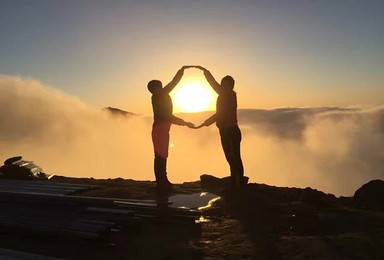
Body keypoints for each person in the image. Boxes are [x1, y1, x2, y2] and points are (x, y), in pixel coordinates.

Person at [194, 66, 244, 188]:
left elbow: (220, 114)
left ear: (230, 86)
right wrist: (206, 72)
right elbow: (214, 84)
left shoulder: (226, 95)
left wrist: (205, 123)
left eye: (224, 85)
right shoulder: (229, 94)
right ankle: (237, 181)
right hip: (231, 130)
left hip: (229, 131)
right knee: (234, 157)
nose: (222, 86)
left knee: (232, 158)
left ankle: (237, 184)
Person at [148, 66, 195, 189]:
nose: (162, 87)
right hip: (160, 130)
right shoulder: (160, 96)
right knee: (160, 155)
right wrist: (185, 123)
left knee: (161, 155)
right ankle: (162, 182)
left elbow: (172, 83)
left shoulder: (159, 95)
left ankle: (162, 180)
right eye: (159, 86)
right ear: (155, 89)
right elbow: (168, 116)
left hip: (161, 129)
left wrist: (181, 71)